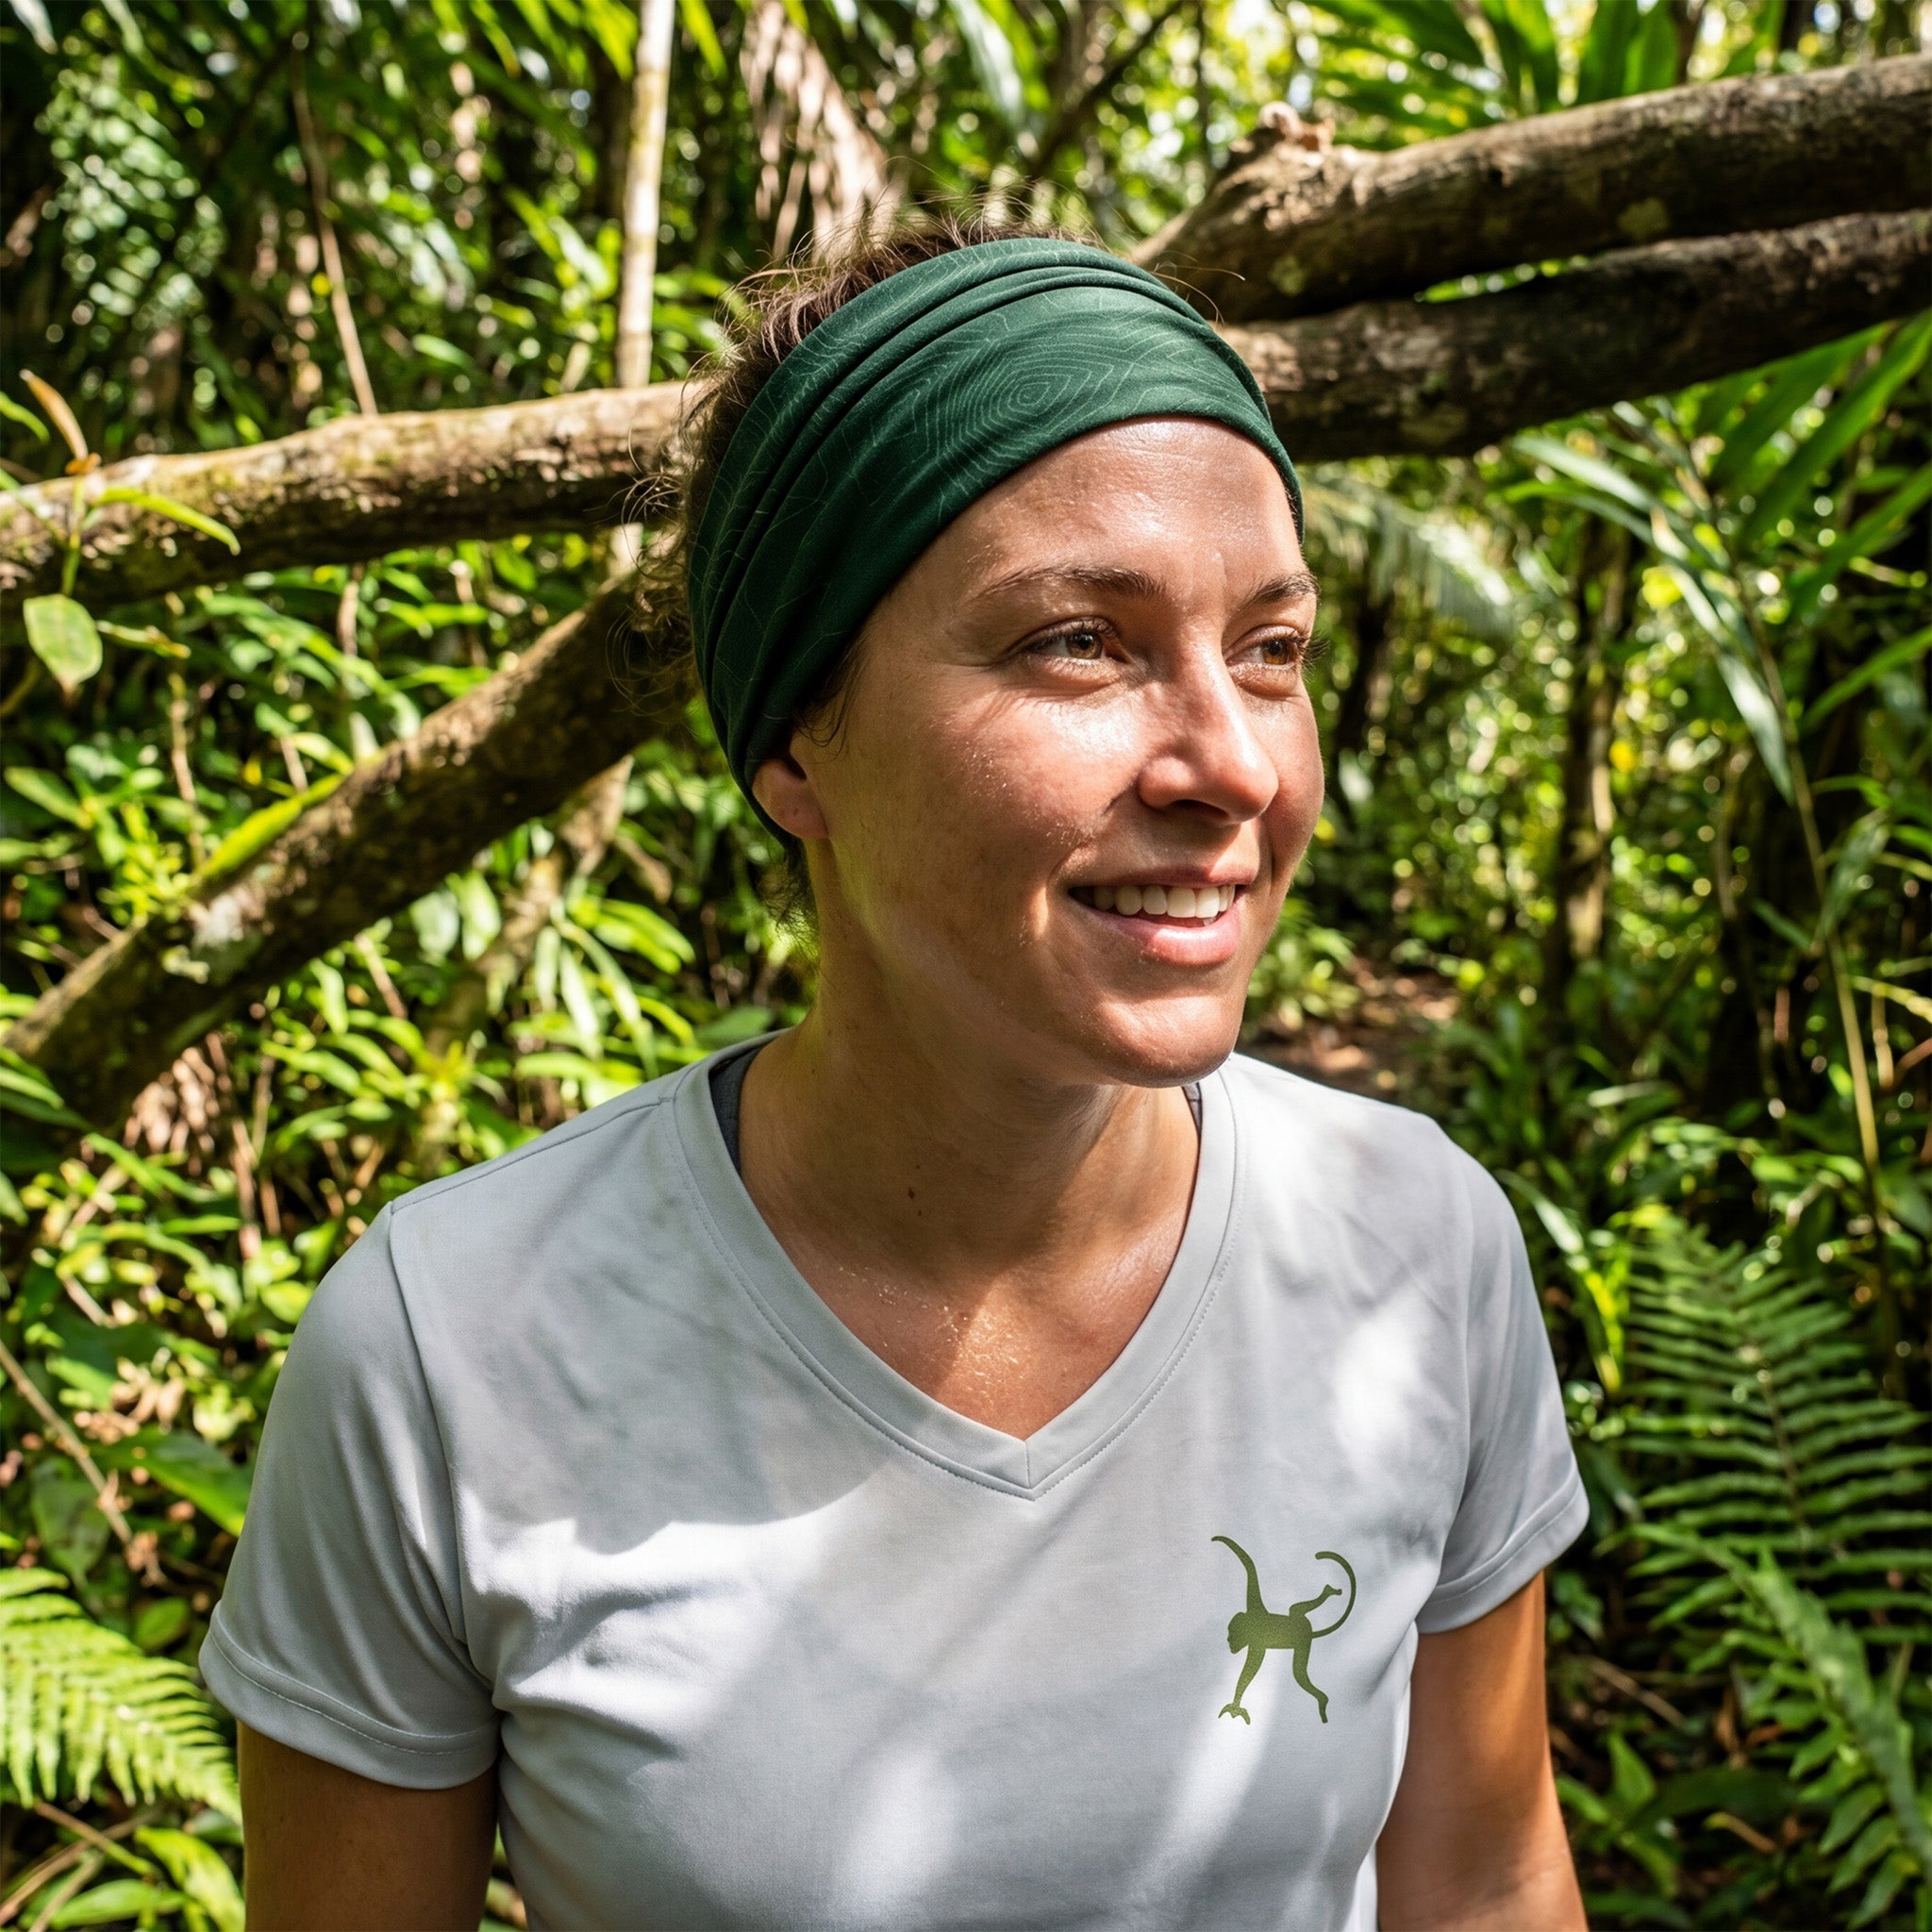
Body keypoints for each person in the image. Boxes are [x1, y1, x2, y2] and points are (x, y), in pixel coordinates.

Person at [208, 222, 1590, 1932]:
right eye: (1079, 642)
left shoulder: (1415, 1250)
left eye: (1272, 647)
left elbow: (1482, 1877)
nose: (1233, 762)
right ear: (797, 741)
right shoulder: (451, 1348)